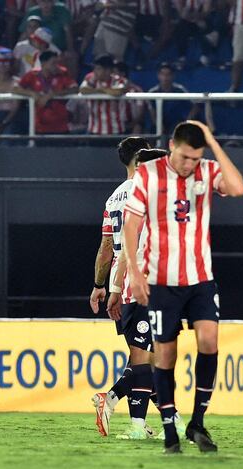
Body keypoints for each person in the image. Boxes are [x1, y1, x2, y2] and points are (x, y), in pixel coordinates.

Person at [123, 121, 243, 453]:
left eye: (196, 157)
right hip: (162, 281)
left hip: (201, 278)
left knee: (209, 341)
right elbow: (131, 225)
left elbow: (237, 188)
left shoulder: (206, 170)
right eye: (184, 156)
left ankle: (197, 423)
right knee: (165, 354)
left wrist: (213, 143)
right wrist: (135, 273)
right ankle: (169, 429)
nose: (189, 164)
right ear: (171, 145)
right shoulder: (148, 175)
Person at [89, 137, 166, 440]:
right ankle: (130, 418)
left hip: (121, 286)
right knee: (145, 360)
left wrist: (100, 285)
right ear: (141, 158)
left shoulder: (113, 198)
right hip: (143, 283)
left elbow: (107, 246)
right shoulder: (147, 192)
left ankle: (166, 420)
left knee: (151, 359)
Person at [14, 50, 77, 137]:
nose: (56, 66)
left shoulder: (62, 73)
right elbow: (16, 89)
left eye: (57, 63)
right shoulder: (32, 75)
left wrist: (53, 94)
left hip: (61, 126)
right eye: (53, 63)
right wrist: (31, 93)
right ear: (43, 63)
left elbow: (75, 89)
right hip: (40, 126)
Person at [79, 54, 128, 138]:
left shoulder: (119, 80)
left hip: (115, 130)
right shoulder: (91, 78)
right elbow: (83, 89)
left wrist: (99, 90)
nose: (94, 71)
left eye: (98, 69)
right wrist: (102, 90)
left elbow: (118, 91)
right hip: (94, 130)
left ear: (108, 70)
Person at [147, 63, 199, 135]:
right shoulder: (152, 92)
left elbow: (195, 106)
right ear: (158, 76)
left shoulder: (180, 90)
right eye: (163, 74)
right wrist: (159, 125)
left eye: (168, 74)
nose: (165, 77)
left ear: (173, 76)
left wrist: (187, 122)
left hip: (176, 123)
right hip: (158, 123)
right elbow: (152, 113)